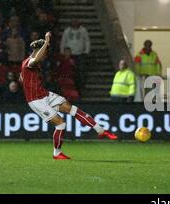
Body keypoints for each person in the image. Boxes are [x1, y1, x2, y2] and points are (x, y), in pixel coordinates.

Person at [21, 32, 117, 160]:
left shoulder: (31, 64)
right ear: (39, 51)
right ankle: (57, 153)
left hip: (44, 94)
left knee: (72, 109)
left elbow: (22, 77)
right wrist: (46, 41)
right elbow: (36, 59)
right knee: (61, 124)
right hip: (36, 100)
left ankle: (100, 130)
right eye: (44, 52)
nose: (45, 56)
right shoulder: (29, 62)